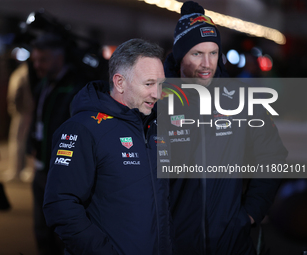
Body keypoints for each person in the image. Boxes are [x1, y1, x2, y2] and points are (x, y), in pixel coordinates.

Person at [163, 1, 288, 254]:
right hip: (172, 244)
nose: (207, 63)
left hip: (231, 242)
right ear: (180, 55)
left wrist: (251, 213)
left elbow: (273, 156)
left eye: (213, 52)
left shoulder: (240, 100)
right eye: (197, 53)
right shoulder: (156, 101)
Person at [43, 38, 171, 255]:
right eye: (149, 84)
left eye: (161, 85)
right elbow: (60, 205)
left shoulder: (156, 127)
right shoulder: (82, 129)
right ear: (120, 82)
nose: (157, 94)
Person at [28, 33, 86, 255]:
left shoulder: (75, 87)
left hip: (63, 174)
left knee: (62, 234)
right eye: (34, 60)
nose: (36, 65)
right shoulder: (44, 85)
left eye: (42, 59)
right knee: (40, 230)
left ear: (59, 58)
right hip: (42, 169)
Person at [5, 61, 35, 182]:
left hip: (21, 112)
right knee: (29, 141)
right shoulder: (31, 73)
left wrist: (13, 108)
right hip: (31, 111)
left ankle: (15, 170)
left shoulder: (19, 73)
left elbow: (15, 94)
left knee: (17, 142)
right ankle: (28, 170)